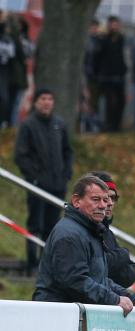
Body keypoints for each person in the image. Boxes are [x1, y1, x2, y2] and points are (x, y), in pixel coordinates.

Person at [33, 174, 135, 316]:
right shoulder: (69, 235)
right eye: (96, 199)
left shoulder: (91, 231)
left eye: (105, 200)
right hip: (56, 317)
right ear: (76, 201)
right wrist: (114, 300)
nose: (103, 205)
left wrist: (132, 299)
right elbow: (75, 281)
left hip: (74, 316)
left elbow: (99, 279)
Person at [13, 88, 73, 273]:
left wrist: (66, 174)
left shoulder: (59, 124)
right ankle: (32, 263)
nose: (47, 102)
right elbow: (20, 155)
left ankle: (47, 265)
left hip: (57, 186)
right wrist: (34, 177)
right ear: (36, 102)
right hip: (37, 186)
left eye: (50, 99)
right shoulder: (28, 125)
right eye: (43, 99)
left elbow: (67, 151)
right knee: (35, 225)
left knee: (52, 227)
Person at [89, 171, 135, 289]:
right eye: (106, 197)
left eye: (113, 197)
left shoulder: (108, 233)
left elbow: (131, 274)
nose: (110, 203)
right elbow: (96, 268)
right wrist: (123, 254)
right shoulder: (82, 229)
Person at [93, 16, 127, 132]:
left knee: (121, 102)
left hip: (119, 76)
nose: (115, 27)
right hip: (107, 76)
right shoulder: (103, 39)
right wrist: (98, 73)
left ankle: (117, 125)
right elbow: (97, 57)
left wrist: (124, 70)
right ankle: (109, 125)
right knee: (109, 102)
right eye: (113, 24)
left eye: (117, 24)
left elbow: (123, 57)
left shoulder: (121, 39)